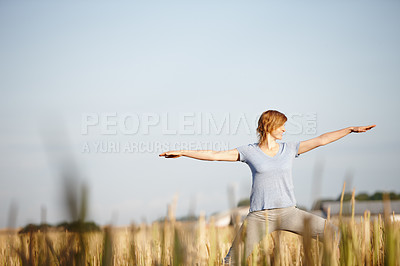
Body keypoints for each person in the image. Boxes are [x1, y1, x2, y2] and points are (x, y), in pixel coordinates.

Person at [159, 110, 375, 264]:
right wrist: (183, 151)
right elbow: (215, 156)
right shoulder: (249, 151)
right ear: (270, 126)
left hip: (290, 212)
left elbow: (321, 140)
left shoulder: (290, 148)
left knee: (335, 234)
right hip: (260, 217)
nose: (284, 129)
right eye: (281, 125)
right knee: (232, 261)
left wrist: (351, 129)